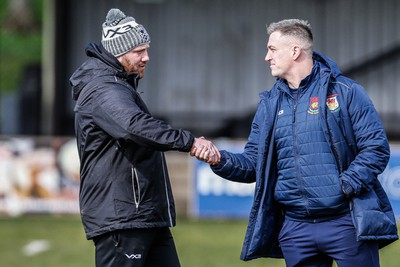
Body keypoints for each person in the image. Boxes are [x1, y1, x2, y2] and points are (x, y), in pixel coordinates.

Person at [196, 19, 398, 267]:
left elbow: (376, 149)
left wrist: (344, 186)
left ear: (295, 51)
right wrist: (218, 159)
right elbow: (252, 164)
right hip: (295, 229)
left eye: (272, 49)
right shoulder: (270, 104)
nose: (266, 57)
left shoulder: (346, 92)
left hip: (346, 222)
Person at [70, 8, 219, 267]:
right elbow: (135, 125)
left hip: (144, 216)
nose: (147, 57)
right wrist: (191, 142)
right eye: (139, 51)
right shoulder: (104, 89)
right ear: (119, 51)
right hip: (123, 219)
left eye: (146, 50)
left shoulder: (117, 85)